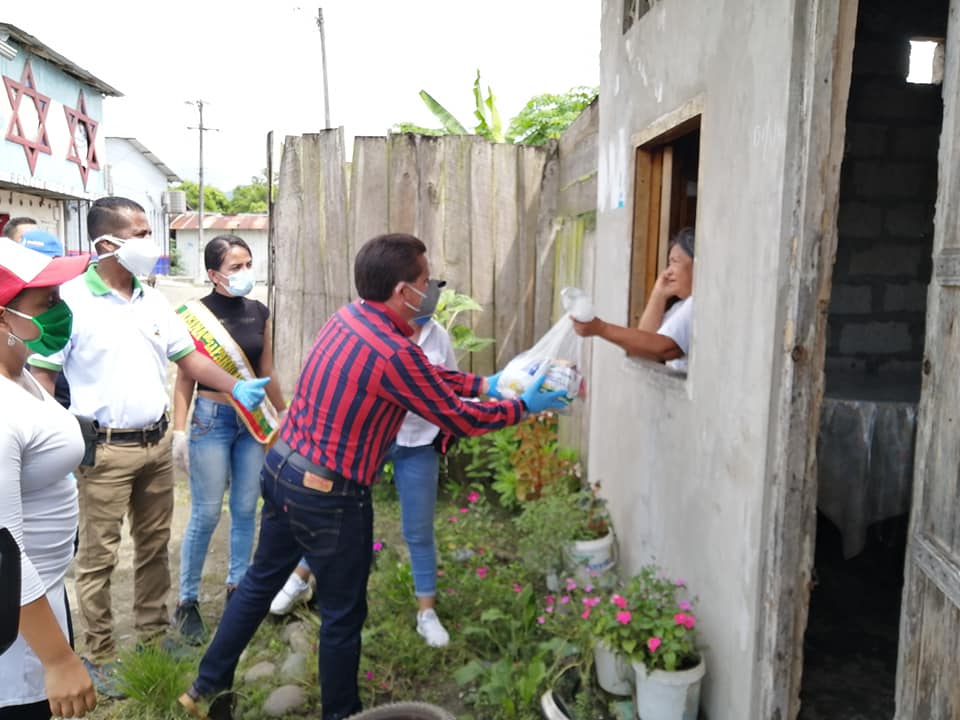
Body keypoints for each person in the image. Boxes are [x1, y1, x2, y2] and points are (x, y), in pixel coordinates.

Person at [180, 233, 568, 720]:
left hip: (283, 469)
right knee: (343, 616)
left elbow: (426, 377)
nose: (433, 289)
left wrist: (485, 384)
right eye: (428, 280)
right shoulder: (395, 352)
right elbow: (458, 417)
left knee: (259, 582)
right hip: (329, 495)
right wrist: (522, 407)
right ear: (404, 292)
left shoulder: (349, 318)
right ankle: (342, 714)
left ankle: (205, 687)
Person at [27, 197, 270, 698]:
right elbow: (43, 378)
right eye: (139, 234)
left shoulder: (153, 301)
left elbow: (188, 360)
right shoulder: (69, 301)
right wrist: (50, 445)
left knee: (154, 547)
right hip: (103, 452)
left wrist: (235, 385)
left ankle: (154, 635)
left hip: (155, 445)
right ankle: (100, 653)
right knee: (99, 557)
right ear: (106, 243)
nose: (150, 243)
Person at [270, 310, 457, 648]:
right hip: (371, 437)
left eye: (433, 286)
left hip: (418, 443)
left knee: (418, 529)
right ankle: (301, 576)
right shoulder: (376, 328)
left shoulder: (438, 336)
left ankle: (427, 613)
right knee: (334, 508)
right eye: (423, 286)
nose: (428, 292)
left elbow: (453, 387)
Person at [172, 235, 287, 643]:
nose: (245, 273)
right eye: (235, 267)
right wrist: (180, 431)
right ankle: (187, 601)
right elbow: (185, 377)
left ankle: (238, 588)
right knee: (205, 513)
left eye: (248, 264)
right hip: (212, 419)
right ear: (213, 274)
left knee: (245, 508)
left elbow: (266, 368)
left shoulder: (259, 311)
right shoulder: (193, 315)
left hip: (252, 422)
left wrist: (284, 413)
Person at [0, 238, 97, 719]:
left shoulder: (18, 372)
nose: (62, 311)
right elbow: (2, 549)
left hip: (41, 600)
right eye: (47, 302)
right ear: (3, 318)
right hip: (15, 634)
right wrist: (58, 659)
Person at [572, 226, 694, 371]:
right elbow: (645, 350)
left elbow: (665, 349)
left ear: (696, 266)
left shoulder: (696, 303)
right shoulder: (679, 307)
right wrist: (658, 295)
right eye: (669, 263)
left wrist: (601, 328)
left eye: (675, 261)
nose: (667, 272)